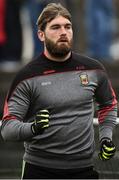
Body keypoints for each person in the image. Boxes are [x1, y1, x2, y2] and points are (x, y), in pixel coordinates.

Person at [1, 3, 117, 179]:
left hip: (84, 170)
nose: (63, 32)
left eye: (67, 27)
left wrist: (106, 138)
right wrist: (34, 128)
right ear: (41, 35)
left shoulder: (95, 70)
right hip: (39, 171)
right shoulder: (26, 76)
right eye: (55, 27)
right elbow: (7, 128)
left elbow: (108, 105)